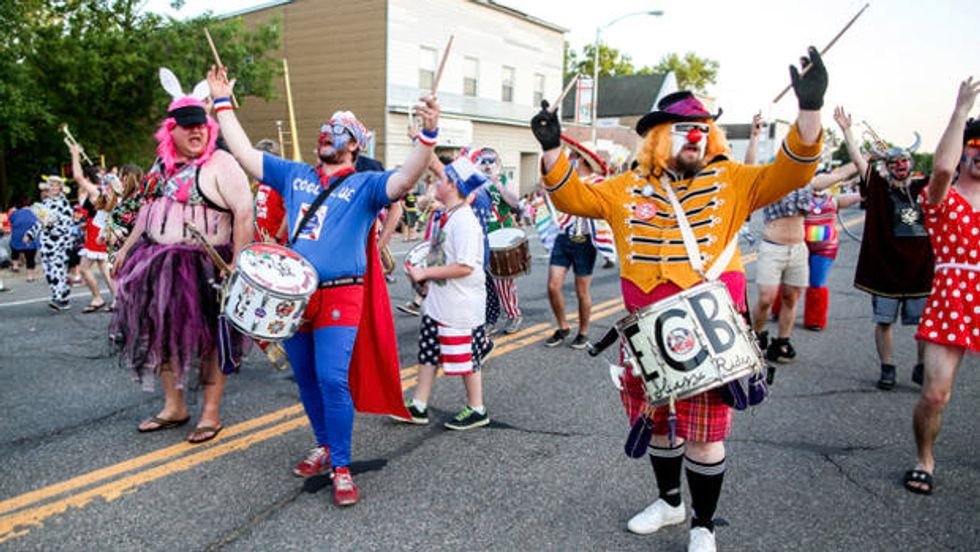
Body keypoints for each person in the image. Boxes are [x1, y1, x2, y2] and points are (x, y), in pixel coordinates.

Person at [531, 48, 827, 552]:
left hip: (711, 330)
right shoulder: (625, 188)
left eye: (701, 129)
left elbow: (794, 172)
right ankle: (670, 504)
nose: (694, 136)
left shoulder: (735, 181)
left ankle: (703, 526)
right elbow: (570, 198)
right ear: (656, 139)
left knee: (706, 434)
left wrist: (811, 110)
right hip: (646, 332)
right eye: (681, 129)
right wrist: (554, 148)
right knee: (660, 424)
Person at [208, 65, 438, 507]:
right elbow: (242, 152)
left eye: (337, 130)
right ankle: (325, 444)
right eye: (324, 128)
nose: (326, 133)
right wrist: (222, 104)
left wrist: (427, 136)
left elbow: (406, 179)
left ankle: (343, 466)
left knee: (332, 378)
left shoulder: (368, 185)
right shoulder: (294, 174)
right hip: (294, 296)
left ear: (354, 143)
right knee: (307, 378)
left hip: (342, 292)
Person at [111, 67, 254, 444]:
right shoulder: (161, 166)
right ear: (169, 130)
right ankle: (174, 406)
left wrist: (237, 265)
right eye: (188, 126)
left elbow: (244, 213)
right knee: (160, 336)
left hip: (205, 265)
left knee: (211, 339)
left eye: (202, 126)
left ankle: (210, 413)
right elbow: (147, 211)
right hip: (157, 263)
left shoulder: (222, 164)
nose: (197, 132)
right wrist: (126, 249)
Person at [905, 77, 980, 495]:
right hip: (952, 297)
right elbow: (943, 168)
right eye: (977, 146)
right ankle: (924, 459)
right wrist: (960, 112)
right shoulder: (943, 198)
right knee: (934, 395)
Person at [835, 106, 933, 389]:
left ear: (911, 163)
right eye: (895, 162)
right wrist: (847, 131)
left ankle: (922, 367)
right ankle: (887, 368)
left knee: (924, 325)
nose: (900, 165)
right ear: (888, 166)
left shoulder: (926, 187)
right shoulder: (878, 187)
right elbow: (858, 160)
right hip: (887, 270)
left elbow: (948, 170)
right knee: (884, 321)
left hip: (921, 269)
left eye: (904, 160)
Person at [392, 155, 490, 429]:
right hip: (441, 301)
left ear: (454, 186)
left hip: (460, 306)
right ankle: (419, 405)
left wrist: (425, 274)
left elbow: (465, 266)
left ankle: (477, 408)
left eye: (442, 179)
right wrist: (426, 283)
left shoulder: (465, 222)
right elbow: (442, 257)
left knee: (467, 358)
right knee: (429, 352)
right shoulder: (451, 216)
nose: (436, 182)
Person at [749, 160, 857, 360]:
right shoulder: (771, 183)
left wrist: (866, 156)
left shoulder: (809, 184)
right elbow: (750, 164)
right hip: (773, 247)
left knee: (791, 297)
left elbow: (840, 174)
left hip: (798, 248)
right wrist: (756, 136)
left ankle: (782, 341)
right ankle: (756, 334)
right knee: (766, 298)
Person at [543, 136, 609, 349]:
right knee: (553, 286)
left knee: (582, 291)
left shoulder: (598, 183)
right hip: (564, 237)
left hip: (585, 240)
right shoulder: (566, 180)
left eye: (573, 155)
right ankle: (563, 327)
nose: (569, 158)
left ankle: (583, 331)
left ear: (581, 159)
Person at [471, 147, 525, 334]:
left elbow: (515, 202)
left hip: (500, 235)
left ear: (498, 163)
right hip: (479, 236)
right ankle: (490, 318)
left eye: (491, 161)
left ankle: (513, 314)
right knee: (483, 281)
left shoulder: (503, 180)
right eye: (483, 161)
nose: (487, 165)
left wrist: (498, 184)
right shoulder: (473, 180)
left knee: (503, 281)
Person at [801, 177, 861, 330]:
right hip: (800, 246)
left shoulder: (835, 200)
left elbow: (863, 195)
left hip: (825, 249)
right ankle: (779, 309)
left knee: (817, 282)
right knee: (790, 282)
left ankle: (815, 320)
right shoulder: (801, 198)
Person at [68, 145, 114, 313]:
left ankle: (98, 298)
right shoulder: (101, 191)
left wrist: (74, 155)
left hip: (96, 232)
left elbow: (77, 176)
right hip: (96, 229)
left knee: (85, 267)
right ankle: (115, 298)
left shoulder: (94, 190)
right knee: (103, 267)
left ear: (89, 178)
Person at [25, 176, 75, 310]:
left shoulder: (64, 204)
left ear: (60, 188)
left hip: (60, 243)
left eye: (56, 185)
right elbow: (40, 223)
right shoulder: (45, 203)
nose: (53, 188)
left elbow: (66, 225)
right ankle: (60, 294)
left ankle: (60, 298)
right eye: (51, 185)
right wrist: (30, 234)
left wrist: (51, 226)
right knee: (49, 272)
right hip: (46, 244)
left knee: (57, 269)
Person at [9, 197, 41, 283]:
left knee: (14, 250)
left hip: (17, 236)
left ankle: (15, 265)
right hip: (30, 237)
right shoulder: (34, 213)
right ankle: (29, 276)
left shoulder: (14, 213)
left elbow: (11, 222)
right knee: (30, 258)